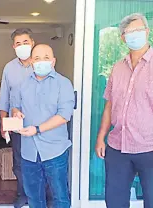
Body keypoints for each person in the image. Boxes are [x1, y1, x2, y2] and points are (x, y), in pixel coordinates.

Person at [95, 13, 153, 208]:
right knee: (114, 201)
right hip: (118, 146)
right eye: (129, 32)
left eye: (138, 30)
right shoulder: (117, 68)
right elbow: (110, 104)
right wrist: (101, 137)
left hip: (149, 147)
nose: (134, 35)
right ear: (123, 38)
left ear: (147, 32)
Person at [12, 44, 75, 208]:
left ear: (53, 61)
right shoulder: (22, 84)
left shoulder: (64, 84)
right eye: (37, 58)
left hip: (55, 151)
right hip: (29, 152)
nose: (41, 62)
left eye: (46, 58)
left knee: (60, 197)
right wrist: (16, 113)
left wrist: (37, 129)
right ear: (31, 61)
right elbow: (15, 107)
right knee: (34, 198)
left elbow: (64, 116)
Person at [0, 28, 35, 207]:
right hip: (16, 123)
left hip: (39, 123)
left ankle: (38, 194)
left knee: (39, 160)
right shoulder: (9, 68)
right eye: (18, 44)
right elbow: (4, 97)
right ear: (13, 46)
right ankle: (22, 194)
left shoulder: (41, 64)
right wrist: (3, 122)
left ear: (32, 43)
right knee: (19, 161)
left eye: (25, 42)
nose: (22, 47)